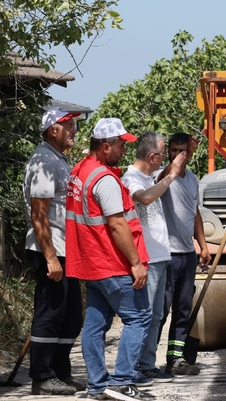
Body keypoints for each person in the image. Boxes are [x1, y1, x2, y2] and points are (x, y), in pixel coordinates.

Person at [65, 118, 151, 401]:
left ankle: (97, 386)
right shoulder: (104, 179)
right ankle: (123, 381)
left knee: (95, 325)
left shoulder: (79, 172)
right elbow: (117, 224)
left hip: (91, 265)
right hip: (113, 264)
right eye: (121, 145)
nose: (124, 151)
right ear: (105, 147)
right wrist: (136, 262)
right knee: (138, 318)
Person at [23, 108, 86, 396]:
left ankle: (61, 371)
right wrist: (50, 257)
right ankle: (42, 375)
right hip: (52, 251)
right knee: (50, 314)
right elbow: (39, 215)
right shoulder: (44, 162)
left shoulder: (59, 159)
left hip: (66, 251)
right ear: (53, 130)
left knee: (71, 315)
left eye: (74, 125)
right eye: (69, 125)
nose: (74, 130)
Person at [121, 132, 185, 385]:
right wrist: (171, 175)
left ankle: (147, 364)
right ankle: (134, 367)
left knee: (156, 315)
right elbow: (145, 198)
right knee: (143, 315)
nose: (163, 160)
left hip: (160, 257)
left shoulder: (147, 177)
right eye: (161, 155)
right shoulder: (131, 178)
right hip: (146, 258)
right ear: (151, 156)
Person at [155, 132, 212, 375]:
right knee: (161, 309)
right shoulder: (166, 176)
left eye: (182, 151)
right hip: (167, 254)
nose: (177, 155)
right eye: (173, 150)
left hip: (187, 254)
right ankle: (145, 358)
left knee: (182, 309)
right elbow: (159, 179)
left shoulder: (192, 180)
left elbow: (194, 212)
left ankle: (175, 358)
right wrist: (174, 166)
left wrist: (203, 245)